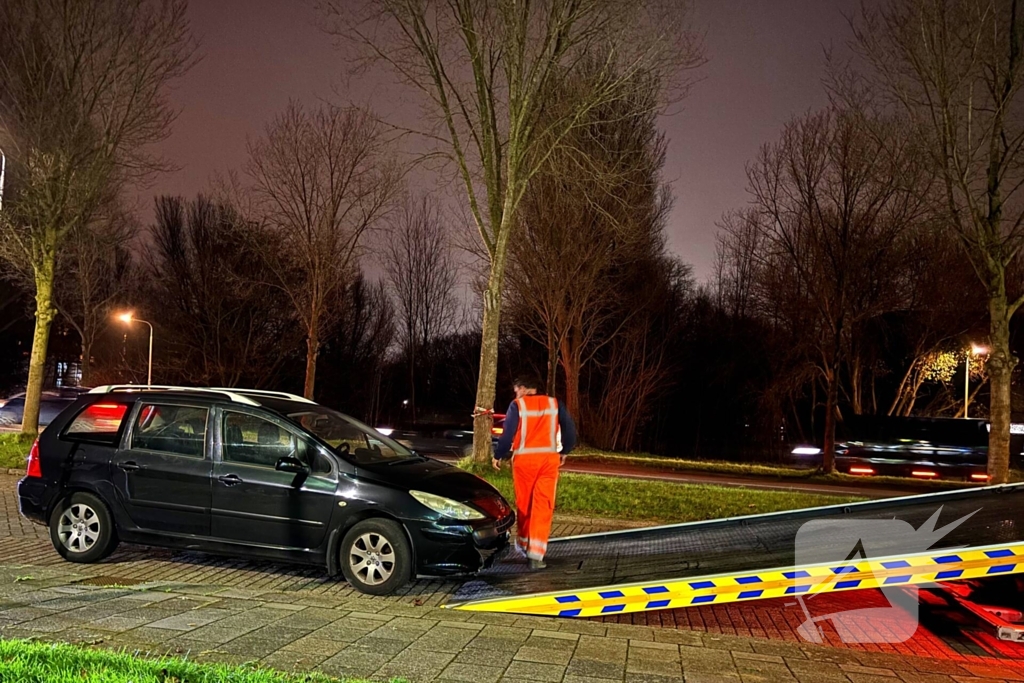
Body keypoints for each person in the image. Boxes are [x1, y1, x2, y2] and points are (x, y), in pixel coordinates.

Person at [492, 375, 577, 569]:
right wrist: (565, 451)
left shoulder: (518, 405)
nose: (516, 394)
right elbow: (570, 430)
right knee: (543, 506)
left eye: (516, 390)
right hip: (548, 462)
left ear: (522, 388)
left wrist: (498, 455)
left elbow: (507, 434)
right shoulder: (554, 403)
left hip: (524, 463)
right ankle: (536, 556)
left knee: (525, 505)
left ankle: (523, 544)